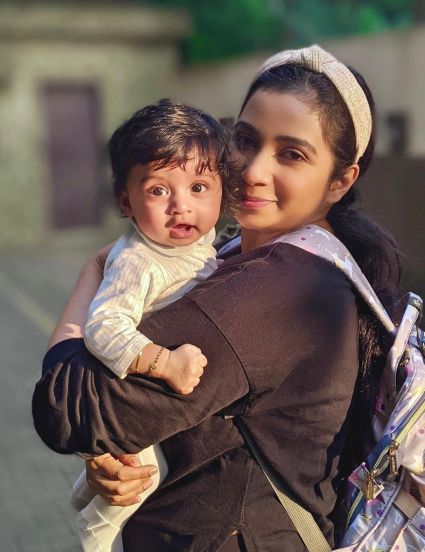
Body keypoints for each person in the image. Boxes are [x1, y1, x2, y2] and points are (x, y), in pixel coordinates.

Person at [33, 45, 402, 551]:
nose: (252, 171)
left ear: (341, 180)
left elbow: (65, 408)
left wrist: (91, 276)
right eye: (245, 141)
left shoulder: (279, 288)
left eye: (291, 154)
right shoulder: (232, 253)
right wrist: (117, 453)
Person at [70, 100, 233, 551]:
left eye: (199, 186)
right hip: (123, 394)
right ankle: (91, 536)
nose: (181, 207)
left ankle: (81, 493)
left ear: (223, 190)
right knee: (143, 475)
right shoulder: (140, 261)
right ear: (126, 200)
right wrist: (166, 362)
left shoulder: (201, 244)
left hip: (131, 397)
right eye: (159, 191)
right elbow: (102, 326)